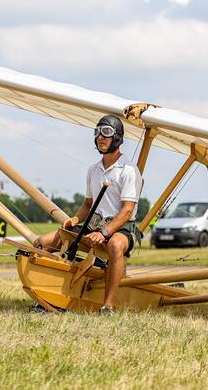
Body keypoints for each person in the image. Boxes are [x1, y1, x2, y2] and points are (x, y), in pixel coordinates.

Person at [33, 114, 143, 314]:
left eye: (106, 132)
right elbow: (87, 205)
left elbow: (127, 211)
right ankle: (44, 296)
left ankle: (107, 306)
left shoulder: (129, 170)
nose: (100, 137)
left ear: (117, 137)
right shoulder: (93, 170)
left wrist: (105, 233)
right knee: (42, 243)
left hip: (121, 229)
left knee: (115, 245)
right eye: (98, 132)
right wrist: (75, 219)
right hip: (92, 226)